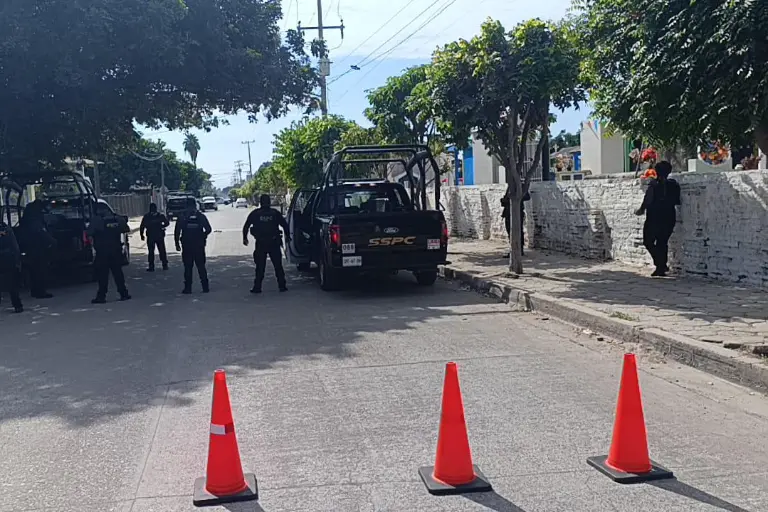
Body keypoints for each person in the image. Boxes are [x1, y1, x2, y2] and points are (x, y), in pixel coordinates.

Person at [635, 160, 681, 277]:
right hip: (669, 216)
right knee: (662, 242)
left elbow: (648, 200)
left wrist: (641, 210)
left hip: (654, 217)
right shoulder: (674, 185)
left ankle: (660, 264)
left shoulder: (654, 184)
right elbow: (677, 201)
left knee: (648, 241)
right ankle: (661, 266)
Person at [242, 194, 290, 293]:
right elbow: (285, 225)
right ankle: (282, 285)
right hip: (274, 242)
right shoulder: (275, 213)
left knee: (260, 266)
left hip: (261, 243)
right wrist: (288, 237)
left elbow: (246, 226)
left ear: (260, 202)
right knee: (278, 266)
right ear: (269, 202)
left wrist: (245, 238)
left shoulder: (255, 213)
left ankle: (257, 287)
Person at [88, 207, 131, 303]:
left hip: (102, 252)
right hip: (115, 250)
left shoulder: (97, 220)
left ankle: (101, 296)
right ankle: (124, 293)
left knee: (102, 275)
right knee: (118, 273)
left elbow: (89, 232)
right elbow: (126, 229)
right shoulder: (117, 219)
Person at [18, 200, 55, 299]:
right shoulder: (35, 221)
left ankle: (35, 291)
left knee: (34, 271)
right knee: (40, 271)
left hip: (30, 248)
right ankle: (40, 292)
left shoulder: (27, 219)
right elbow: (41, 233)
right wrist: (52, 241)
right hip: (38, 249)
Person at [174, 197, 211, 294]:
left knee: (188, 268)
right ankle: (205, 287)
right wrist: (203, 236)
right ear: (195, 205)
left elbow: (177, 231)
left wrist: (177, 243)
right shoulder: (200, 216)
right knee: (201, 267)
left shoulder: (182, 216)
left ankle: (188, 288)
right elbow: (208, 229)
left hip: (187, 247)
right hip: (198, 246)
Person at [0, 219, 24, 313]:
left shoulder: (6, 229)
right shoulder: (6, 229)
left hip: (7, 257)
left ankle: (17, 305)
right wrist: (18, 261)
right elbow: (15, 246)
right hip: (8, 258)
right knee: (12, 283)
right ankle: (17, 305)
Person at [139, 203, 169, 271]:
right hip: (159, 236)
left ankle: (152, 266)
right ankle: (164, 265)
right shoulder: (160, 216)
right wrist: (162, 226)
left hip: (151, 236)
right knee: (161, 250)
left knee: (152, 252)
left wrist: (142, 235)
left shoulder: (147, 216)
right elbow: (167, 223)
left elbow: (142, 226)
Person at [501, 190, 531, 257]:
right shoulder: (510, 187)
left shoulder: (520, 186)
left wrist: (516, 198)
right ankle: (513, 248)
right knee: (510, 231)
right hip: (508, 212)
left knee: (518, 231)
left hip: (517, 212)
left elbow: (527, 197)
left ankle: (519, 250)